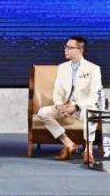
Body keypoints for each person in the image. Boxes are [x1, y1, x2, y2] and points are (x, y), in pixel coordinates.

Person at [35, 36, 102, 164]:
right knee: (43, 112)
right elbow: (58, 90)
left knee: (92, 113)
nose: (66, 50)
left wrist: (76, 107)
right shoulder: (62, 67)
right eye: (66, 47)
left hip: (83, 107)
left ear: (80, 50)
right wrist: (59, 104)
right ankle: (69, 144)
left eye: (70, 47)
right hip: (65, 106)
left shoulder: (93, 68)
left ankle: (88, 151)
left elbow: (94, 96)